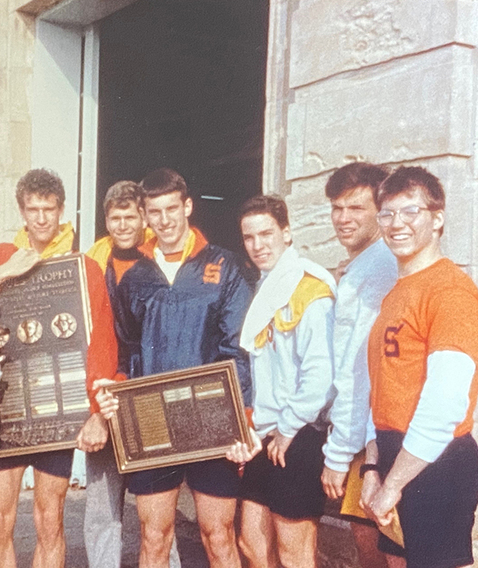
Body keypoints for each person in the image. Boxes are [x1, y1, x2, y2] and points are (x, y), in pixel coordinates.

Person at [98, 168, 253, 568]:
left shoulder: (223, 265)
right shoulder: (133, 277)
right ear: (145, 216)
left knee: (218, 536)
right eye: (155, 211)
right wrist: (116, 391)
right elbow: (124, 349)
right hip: (152, 421)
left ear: (188, 206)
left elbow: (237, 348)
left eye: (172, 208)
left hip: (211, 418)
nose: (165, 220)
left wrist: (243, 417)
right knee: (153, 537)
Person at [0, 168, 118, 568]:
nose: (41, 218)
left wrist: (97, 412)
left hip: (59, 412)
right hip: (5, 409)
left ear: (61, 209)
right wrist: (2, 272)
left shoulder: (83, 268)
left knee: (50, 519)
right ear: (22, 211)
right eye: (33, 210)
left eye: (49, 209)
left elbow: (101, 343)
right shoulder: (0, 255)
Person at [362, 166, 478, 568]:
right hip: (396, 455)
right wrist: (374, 466)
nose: (397, 224)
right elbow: (380, 388)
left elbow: (445, 403)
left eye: (410, 212)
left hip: (436, 462)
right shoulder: (397, 292)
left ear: (437, 218)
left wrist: (393, 483)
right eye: (387, 214)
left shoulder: (450, 291)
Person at [228, 195, 335, 568]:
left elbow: (321, 375)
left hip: (299, 433)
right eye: (249, 237)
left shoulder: (309, 288)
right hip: (269, 432)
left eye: (266, 234)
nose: (258, 245)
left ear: (287, 233)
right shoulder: (266, 287)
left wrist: (289, 427)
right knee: (251, 543)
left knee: (295, 553)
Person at [84, 181, 181, 568]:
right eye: (114, 218)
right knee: (102, 509)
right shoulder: (91, 263)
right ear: (105, 219)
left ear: (143, 218)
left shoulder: (164, 260)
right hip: (105, 395)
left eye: (130, 217)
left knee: (157, 513)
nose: (122, 225)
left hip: (148, 397)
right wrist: (96, 406)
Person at [319, 163, 404, 568]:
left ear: (380, 210)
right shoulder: (363, 267)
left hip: (372, 439)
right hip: (368, 436)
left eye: (356, 208)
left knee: (378, 553)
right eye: (337, 208)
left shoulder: (377, 270)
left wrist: (338, 455)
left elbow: (359, 373)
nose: (343, 218)